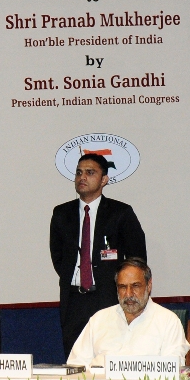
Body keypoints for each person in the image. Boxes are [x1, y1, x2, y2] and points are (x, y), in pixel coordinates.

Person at [50, 153, 147, 357]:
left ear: (104, 179)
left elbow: (137, 258)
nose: (82, 177)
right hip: (74, 300)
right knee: (75, 362)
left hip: (109, 298)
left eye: (90, 172)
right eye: (78, 173)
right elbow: (58, 257)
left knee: (109, 358)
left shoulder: (120, 213)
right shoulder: (61, 214)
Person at [67, 259, 189, 368]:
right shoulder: (99, 319)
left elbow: (173, 370)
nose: (129, 294)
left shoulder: (168, 321)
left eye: (135, 286)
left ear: (149, 285)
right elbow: (76, 365)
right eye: (123, 287)